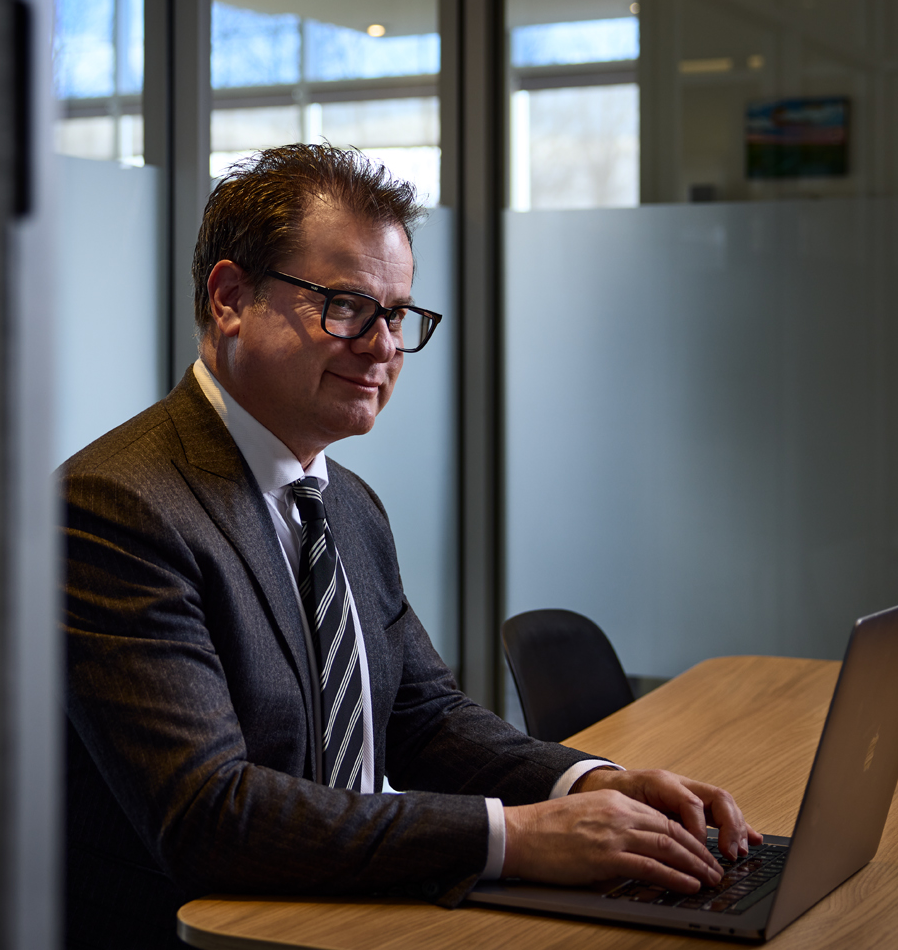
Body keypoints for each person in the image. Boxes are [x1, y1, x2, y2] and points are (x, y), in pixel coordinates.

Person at [60, 144, 759, 949]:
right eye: (347, 305)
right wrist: (518, 839)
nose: (384, 347)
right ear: (229, 299)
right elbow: (210, 816)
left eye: (396, 314)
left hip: (355, 914)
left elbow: (423, 720)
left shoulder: (347, 504)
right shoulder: (116, 505)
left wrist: (592, 782)